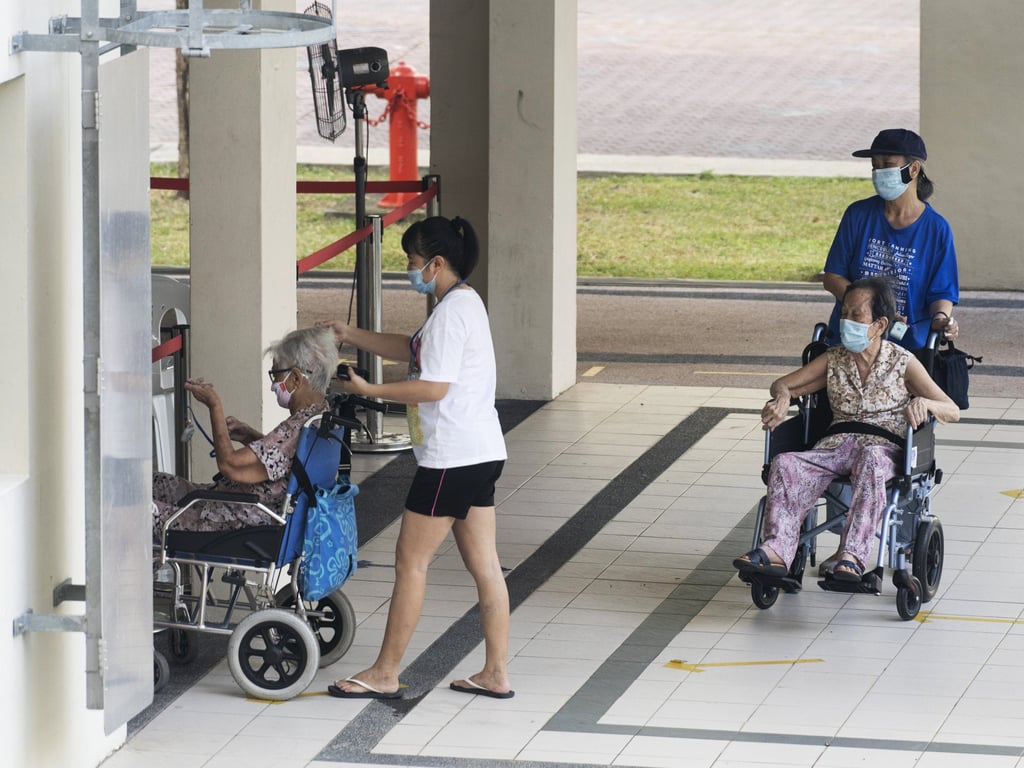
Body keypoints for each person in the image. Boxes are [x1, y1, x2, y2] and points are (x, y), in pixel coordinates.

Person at [320, 215, 513, 701]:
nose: (408, 270)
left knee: (410, 562)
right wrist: (351, 334)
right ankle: (495, 673)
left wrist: (371, 389)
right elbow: (412, 348)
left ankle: (385, 672)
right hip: (480, 451)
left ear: (437, 264)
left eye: (411, 262)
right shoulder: (460, 304)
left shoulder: (450, 313)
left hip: (451, 458)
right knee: (485, 565)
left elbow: (432, 386)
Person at [734, 277, 959, 582]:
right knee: (786, 464)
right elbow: (785, 383)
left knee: (870, 461)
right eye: (844, 314)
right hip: (835, 445)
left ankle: (851, 556)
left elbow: (952, 409)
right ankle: (776, 552)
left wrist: (927, 405)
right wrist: (783, 397)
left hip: (883, 448)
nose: (846, 322)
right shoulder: (834, 358)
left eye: (856, 315)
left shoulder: (903, 362)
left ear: (879, 324)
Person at [152, 326, 336, 536]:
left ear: (295, 378)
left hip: (232, 520)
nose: (273, 385)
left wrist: (215, 407)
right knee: (151, 482)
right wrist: (250, 435)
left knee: (133, 508)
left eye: (275, 375)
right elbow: (291, 461)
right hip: (234, 508)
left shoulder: (296, 428)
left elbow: (230, 465)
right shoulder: (319, 419)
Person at [822, 128, 960, 353]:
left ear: (913, 169)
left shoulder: (936, 228)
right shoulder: (858, 215)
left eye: (887, 164)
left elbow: (942, 292)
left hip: (908, 347)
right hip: (852, 337)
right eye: (875, 166)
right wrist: (870, 308)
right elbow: (832, 277)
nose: (879, 172)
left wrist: (942, 319)